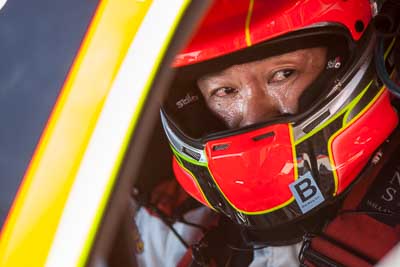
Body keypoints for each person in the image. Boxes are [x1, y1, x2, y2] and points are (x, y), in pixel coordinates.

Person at [133, 0, 400, 266]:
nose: (254, 116)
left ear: (342, 64)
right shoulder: (165, 228)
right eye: (225, 91)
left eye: (283, 74)